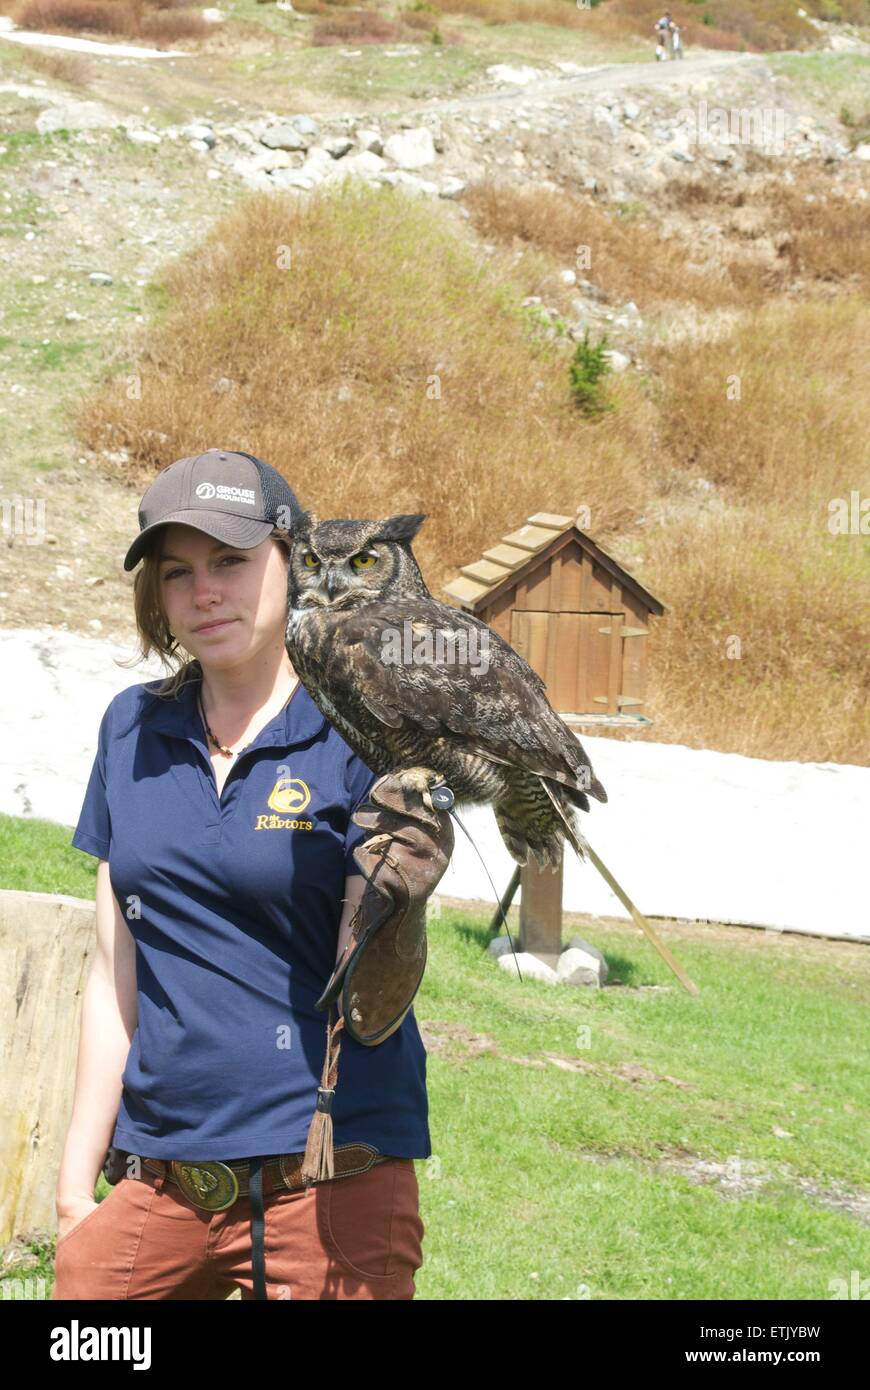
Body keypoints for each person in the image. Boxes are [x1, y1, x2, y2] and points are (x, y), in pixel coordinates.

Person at [52, 447, 433, 1301]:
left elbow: (371, 988)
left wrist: (398, 910)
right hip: (161, 1187)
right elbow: (115, 972)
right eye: (177, 571)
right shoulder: (131, 729)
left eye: (231, 560)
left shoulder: (361, 730)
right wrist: (78, 1191)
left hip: (329, 1184)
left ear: (293, 562)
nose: (205, 592)